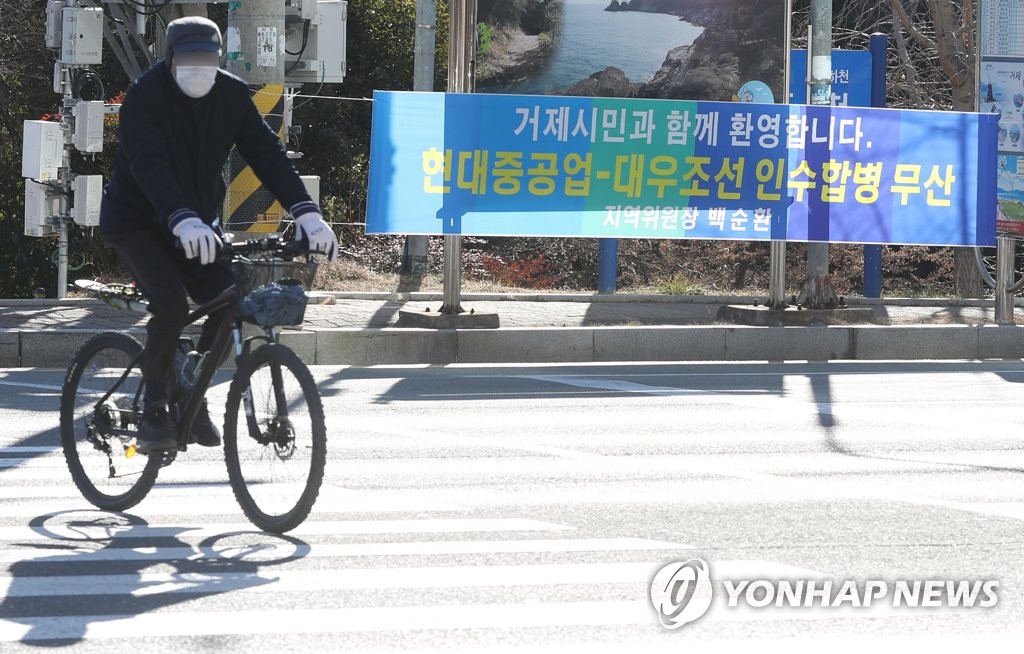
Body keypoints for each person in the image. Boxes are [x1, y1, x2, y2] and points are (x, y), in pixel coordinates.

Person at [99, 16, 338, 454]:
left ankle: (189, 386)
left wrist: (306, 213)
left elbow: (267, 154)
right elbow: (147, 164)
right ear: (171, 59)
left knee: (232, 297)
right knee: (170, 304)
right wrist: (180, 218)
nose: (200, 66)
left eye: (208, 58)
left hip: (195, 223)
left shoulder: (230, 94)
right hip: (137, 221)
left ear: (219, 58)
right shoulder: (145, 96)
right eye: (190, 58)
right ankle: (155, 405)